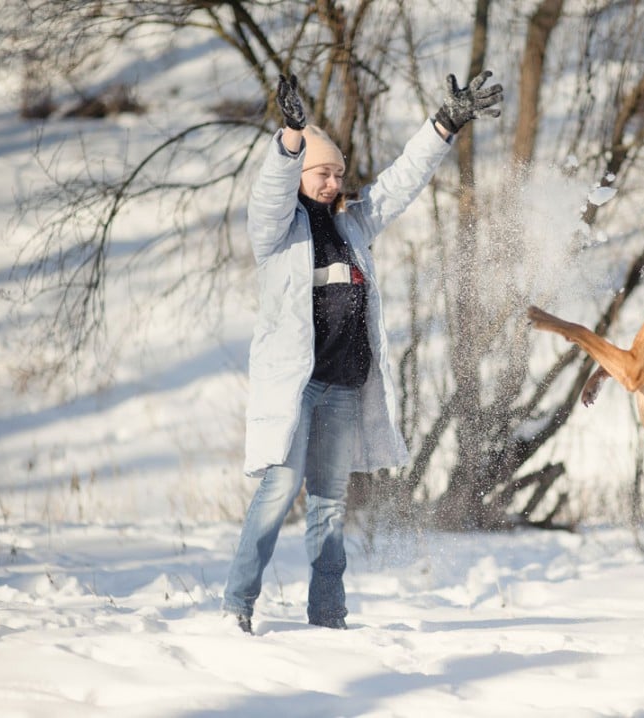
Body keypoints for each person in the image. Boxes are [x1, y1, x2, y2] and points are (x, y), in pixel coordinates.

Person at [222, 69, 503, 633]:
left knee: (329, 506)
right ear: (302, 175)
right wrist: (292, 140)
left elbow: (401, 181)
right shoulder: (277, 234)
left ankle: (329, 616)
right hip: (297, 390)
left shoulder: (354, 226)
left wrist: (445, 123)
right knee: (279, 490)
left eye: (338, 173)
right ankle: (238, 605)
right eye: (323, 173)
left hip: (344, 390)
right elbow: (269, 193)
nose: (332, 182)